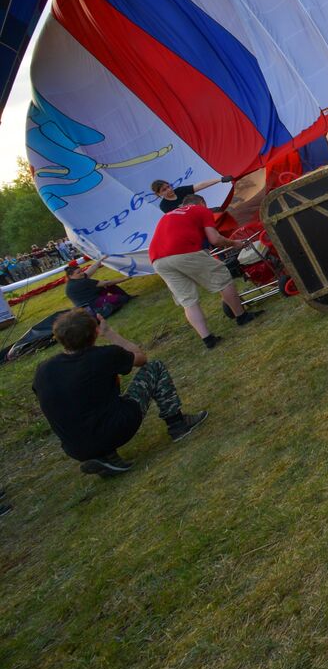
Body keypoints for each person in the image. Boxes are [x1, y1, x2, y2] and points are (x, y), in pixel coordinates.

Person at [32, 309, 207, 476]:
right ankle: (177, 423)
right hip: (115, 428)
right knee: (155, 368)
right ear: (94, 333)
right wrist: (109, 333)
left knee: (86, 408)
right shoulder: (103, 356)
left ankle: (106, 457)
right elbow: (141, 358)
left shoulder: (44, 370)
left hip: (74, 447)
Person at [149, 194, 257, 348]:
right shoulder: (201, 210)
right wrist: (234, 243)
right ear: (202, 203)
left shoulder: (168, 215)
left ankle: (208, 339)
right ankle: (242, 316)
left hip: (157, 260)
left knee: (188, 300)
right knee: (222, 278)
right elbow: (215, 239)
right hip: (182, 251)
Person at [63, 257, 132, 317]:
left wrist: (101, 259)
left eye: (81, 271)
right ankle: (111, 305)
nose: (82, 273)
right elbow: (107, 283)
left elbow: (92, 268)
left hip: (88, 304)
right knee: (123, 299)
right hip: (93, 305)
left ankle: (125, 298)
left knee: (107, 286)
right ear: (70, 276)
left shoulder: (73, 281)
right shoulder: (81, 282)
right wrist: (127, 278)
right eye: (78, 273)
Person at [152, 175, 233, 213]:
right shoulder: (164, 206)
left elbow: (200, 185)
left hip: (201, 213)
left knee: (218, 210)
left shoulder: (180, 190)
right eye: (164, 190)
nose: (169, 189)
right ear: (159, 194)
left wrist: (220, 179)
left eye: (168, 186)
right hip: (190, 222)